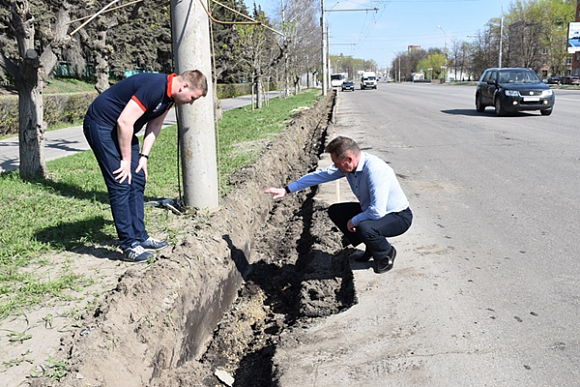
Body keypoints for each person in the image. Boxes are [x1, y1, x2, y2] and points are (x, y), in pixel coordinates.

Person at [83, 70, 208, 262]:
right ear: (184, 87)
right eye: (192, 98)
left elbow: (155, 125)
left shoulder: (170, 97)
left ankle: (140, 236)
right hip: (101, 124)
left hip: (121, 129)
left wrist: (143, 157)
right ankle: (129, 245)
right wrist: (125, 160)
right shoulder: (155, 87)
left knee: (138, 176)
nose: (191, 103)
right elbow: (124, 121)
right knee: (121, 181)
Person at [265, 136, 412, 274]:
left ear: (348, 159)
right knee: (337, 211)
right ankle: (372, 247)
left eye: (337, 163)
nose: (335, 166)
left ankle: (386, 253)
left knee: (364, 226)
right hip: (374, 212)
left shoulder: (375, 170)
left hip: (397, 216)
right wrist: (286, 189)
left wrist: (353, 220)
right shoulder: (349, 167)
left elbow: (378, 211)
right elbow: (319, 176)